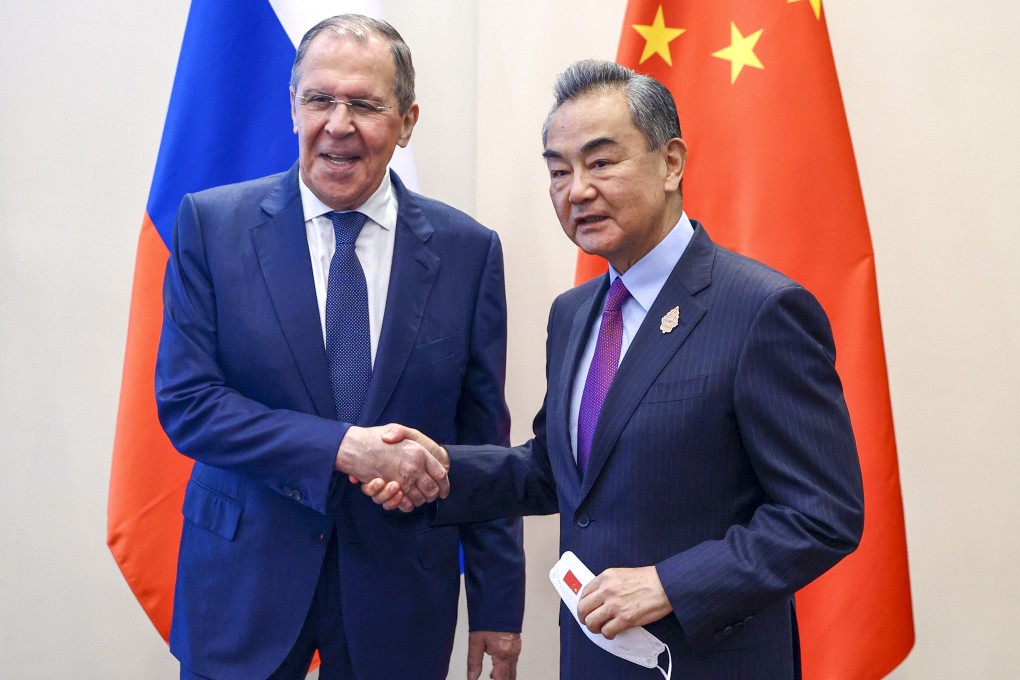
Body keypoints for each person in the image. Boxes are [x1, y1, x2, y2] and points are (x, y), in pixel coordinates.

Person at [365, 60, 865, 679]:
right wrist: (438, 469)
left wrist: (671, 584)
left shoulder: (760, 310)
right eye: (558, 171)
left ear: (672, 163)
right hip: (592, 659)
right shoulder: (574, 314)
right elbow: (561, 470)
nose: (577, 190)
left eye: (601, 162)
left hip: (708, 663)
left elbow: (823, 515)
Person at [155, 15, 524, 680]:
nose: (338, 123)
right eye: (320, 99)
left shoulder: (470, 251)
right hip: (245, 584)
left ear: (407, 121)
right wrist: (341, 448)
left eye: (364, 104)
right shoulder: (212, 227)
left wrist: (498, 603)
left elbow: (482, 445)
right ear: (292, 106)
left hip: (399, 594)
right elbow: (189, 405)